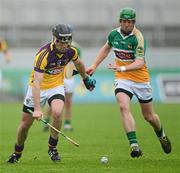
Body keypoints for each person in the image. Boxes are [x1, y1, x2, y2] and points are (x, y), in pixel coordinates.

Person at [86, 7, 171, 158]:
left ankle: (161, 135)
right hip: (122, 78)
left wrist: (121, 67)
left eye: (129, 22)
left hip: (140, 79)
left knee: (149, 116)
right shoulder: (114, 34)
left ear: (133, 22)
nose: (126, 24)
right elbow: (106, 48)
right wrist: (94, 65)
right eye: (124, 21)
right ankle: (134, 145)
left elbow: (139, 63)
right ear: (120, 22)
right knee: (123, 106)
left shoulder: (138, 37)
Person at [7, 24, 96, 163]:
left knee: (57, 112)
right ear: (55, 39)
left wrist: (85, 78)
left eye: (67, 41)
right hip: (37, 88)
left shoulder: (71, 51)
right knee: (25, 125)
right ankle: (17, 152)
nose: (65, 45)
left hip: (56, 86)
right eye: (62, 41)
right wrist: (37, 109)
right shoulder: (43, 55)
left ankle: (52, 147)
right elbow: (37, 83)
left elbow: (79, 64)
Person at [43, 40, 82, 131]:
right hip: (57, 78)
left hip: (69, 79)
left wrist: (82, 78)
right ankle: (47, 121)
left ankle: (67, 124)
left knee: (68, 102)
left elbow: (79, 64)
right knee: (52, 101)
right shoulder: (55, 46)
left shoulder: (76, 48)